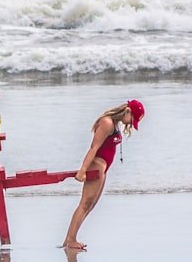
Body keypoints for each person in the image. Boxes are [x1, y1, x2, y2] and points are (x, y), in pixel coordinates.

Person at [62, 99, 145, 250]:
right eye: (131, 120)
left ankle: (69, 239)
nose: (129, 125)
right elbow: (94, 148)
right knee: (85, 203)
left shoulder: (115, 123)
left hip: (103, 169)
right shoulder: (107, 122)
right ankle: (71, 240)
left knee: (91, 205)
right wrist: (82, 170)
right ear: (128, 111)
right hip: (96, 166)